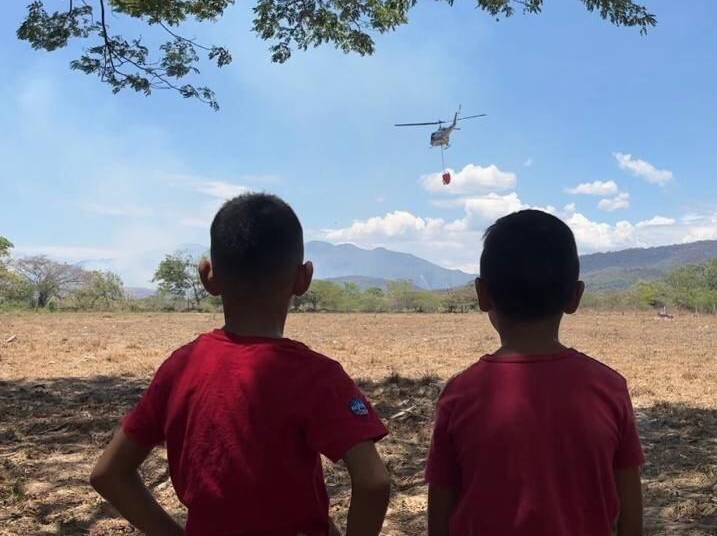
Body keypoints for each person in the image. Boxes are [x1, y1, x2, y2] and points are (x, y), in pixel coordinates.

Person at [90, 193, 391, 536]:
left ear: (208, 277)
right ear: (303, 279)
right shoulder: (316, 375)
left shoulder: (181, 367)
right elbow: (373, 482)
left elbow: (108, 474)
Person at [425, 209, 644, 536]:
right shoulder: (610, 387)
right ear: (575, 296)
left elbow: (439, 520)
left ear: (482, 294)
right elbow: (630, 517)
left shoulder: (460, 393)